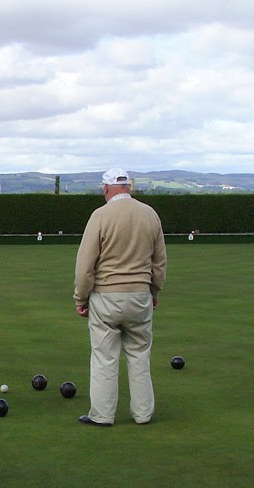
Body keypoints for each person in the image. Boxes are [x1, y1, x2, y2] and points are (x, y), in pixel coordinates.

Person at [73, 168, 167, 427]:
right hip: (140, 296)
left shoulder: (100, 216)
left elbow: (85, 265)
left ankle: (102, 415)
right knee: (139, 355)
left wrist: (80, 298)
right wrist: (155, 291)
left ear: (106, 188)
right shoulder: (150, 214)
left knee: (104, 357)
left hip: (106, 297)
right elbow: (159, 262)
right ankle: (143, 413)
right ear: (129, 187)